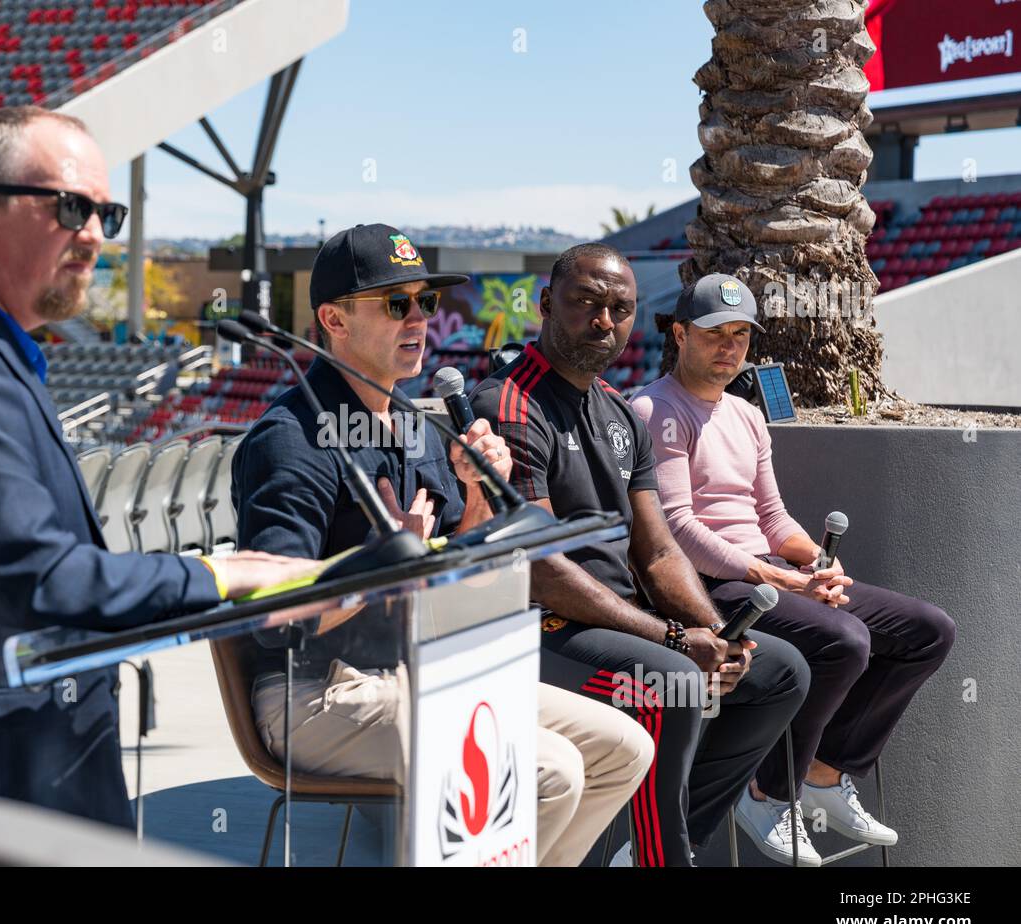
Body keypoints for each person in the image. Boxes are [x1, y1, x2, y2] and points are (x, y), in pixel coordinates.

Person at [0, 106, 315, 828]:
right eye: (71, 207)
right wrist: (225, 575)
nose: (96, 234)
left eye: (108, 211)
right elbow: (42, 580)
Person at [232, 224, 653, 866]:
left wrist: (482, 493)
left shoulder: (413, 424)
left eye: (425, 302)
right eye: (396, 304)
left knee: (624, 746)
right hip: (317, 691)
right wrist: (380, 567)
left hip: (416, 667)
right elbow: (271, 618)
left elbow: (468, 569)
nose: (419, 320)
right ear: (332, 319)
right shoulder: (290, 440)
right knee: (549, 770)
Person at [469, 243, 811, 867]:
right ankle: (662, 855)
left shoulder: (621, 413)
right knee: (673, 682)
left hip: (616, 626)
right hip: (535, 632)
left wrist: (715, 634)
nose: (604, 322)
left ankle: (650, 843)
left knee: (780, 672)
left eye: (620, 309)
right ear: (547, 305)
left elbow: (657, 553)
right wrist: (677, 641)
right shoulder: (509, 405)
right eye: (586, 304)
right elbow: (541, 571)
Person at [631, 273, 956, 863]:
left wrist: (819, 563)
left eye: (740, 336)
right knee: (845, 642)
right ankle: (768, 791)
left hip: (766, 574)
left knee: (928, 630)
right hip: (706, 589)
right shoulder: (655, 409)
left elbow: (772, 515)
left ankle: (826, 775)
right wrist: (782, 577)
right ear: (679, 335)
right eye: (713, 335)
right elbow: (678, 533)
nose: (729, 348)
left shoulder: (747, 416)